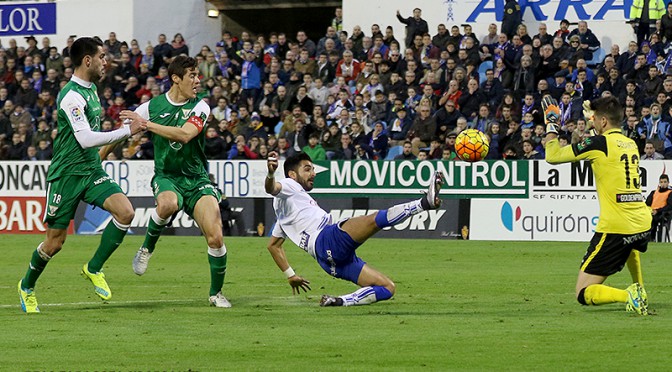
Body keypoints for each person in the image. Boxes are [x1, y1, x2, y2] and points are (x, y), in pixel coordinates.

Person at [17, 37, 145, 314]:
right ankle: (27, 286)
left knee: (125, 212)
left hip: (90, 170)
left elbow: (93, 141)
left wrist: (126, 134)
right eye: (101, 56)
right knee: (55, 243)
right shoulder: (71, 96)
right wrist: (127, 131)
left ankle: (93, 267)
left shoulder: (92, 90)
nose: (105, 61)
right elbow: (86, 138)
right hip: (66, 176)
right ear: (87, 60)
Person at [119, 56, 231, 308]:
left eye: (198, 75)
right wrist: (99, 159)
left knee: (215, 238)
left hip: (197, 179)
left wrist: (147, 126)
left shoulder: (200, 107)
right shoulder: (150, 107)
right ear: (176, 79)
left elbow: (184, 135)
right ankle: (147, 248)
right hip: (167, 176)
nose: (198, 80)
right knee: (168, 204)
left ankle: (216, 293)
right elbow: (121, 134)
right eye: (192, 75)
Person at [264, 152, 444, 306]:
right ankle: (424, 203)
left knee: (388, 288)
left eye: (313, 168)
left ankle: (339, 301)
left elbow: (273, 246)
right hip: (327, 239)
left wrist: (290, 275)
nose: (313, 173)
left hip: (328, 261)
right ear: (292, 175)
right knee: (374, 220)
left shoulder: (285, 212)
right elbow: (272, 188)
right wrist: (271, 174)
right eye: (307, 169)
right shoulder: (289, 185)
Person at [543, 95, 651, 315]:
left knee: (583, 292)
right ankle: (640, 287)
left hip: (615, 227)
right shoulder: (630, 143)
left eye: (594, 119)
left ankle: (628, 295)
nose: (592, 122)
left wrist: (552, 125)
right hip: (642, 222)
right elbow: (601, 142)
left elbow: (552, 156)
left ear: (603, 121)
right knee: (630, 246)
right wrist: (592, 118)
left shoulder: (598, 143)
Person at [645, 174, 672, 241]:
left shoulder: (670, 193)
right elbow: (647, 204)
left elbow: (669, 206)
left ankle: (653, 239)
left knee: (655, 219)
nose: (663, 184)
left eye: (665, 182)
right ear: (659, 183)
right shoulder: (654, 192)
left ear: (668, 183)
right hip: (651, 213)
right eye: (661, 182)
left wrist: (657, 211)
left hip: (662, 213)